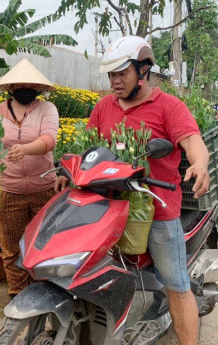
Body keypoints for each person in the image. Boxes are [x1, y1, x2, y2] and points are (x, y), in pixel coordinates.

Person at [56, 36, 209, 345]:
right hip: (106, 208)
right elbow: (90, 151)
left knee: (176, 284)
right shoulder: (103, 106)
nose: (114, 81)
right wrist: (69, 173)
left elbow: (193, 141)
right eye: (111, 75)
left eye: (121, 73)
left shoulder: (168, 106)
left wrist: (200, 164)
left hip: (157, 209)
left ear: (142, 71)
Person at [0, 59, 59, 299]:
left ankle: (43, 296)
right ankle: (17, 295)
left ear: (38, 90)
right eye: (21, 85)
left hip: (44, 188)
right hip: (8, 190)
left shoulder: (46, 109)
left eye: (32, 86)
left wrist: (26, 149)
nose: (26, 90)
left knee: (42, 246)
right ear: (11, 88)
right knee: (10, 248)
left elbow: (49, 140)